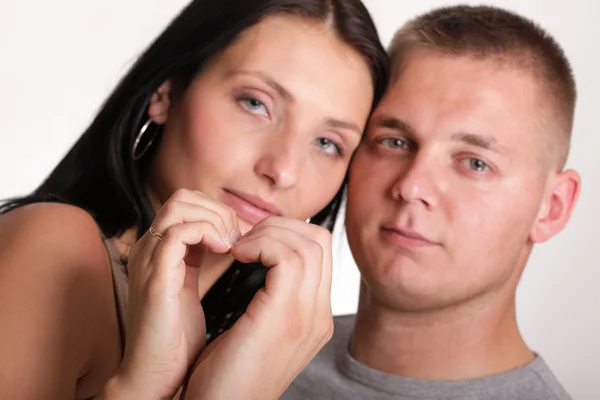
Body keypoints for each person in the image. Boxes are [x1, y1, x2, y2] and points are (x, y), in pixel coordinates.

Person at [0, 0, 389, 399]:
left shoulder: (251, 346)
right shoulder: (57, 250)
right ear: (166, 91)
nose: (284, 170)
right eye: (255, 103)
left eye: (327, 143)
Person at [282, 5, 580, 400]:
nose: (412, 186)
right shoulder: (253, 359)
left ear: (552, 207)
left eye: (475, 163)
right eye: (395, 142)